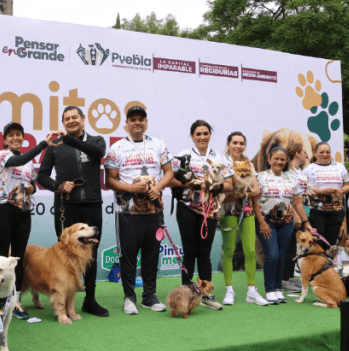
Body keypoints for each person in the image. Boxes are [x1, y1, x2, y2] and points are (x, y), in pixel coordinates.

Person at [37, 106, 111, 317]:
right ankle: (64, 302)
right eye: (67, 119)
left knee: (91, 253)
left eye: (74, 117)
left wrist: (69, 139)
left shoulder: (96, 141)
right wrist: (59, 186)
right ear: (63, 122)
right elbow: (42, 176)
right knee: (65, 254)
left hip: (92, 204)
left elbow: (98, 154)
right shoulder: (54, 145)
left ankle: (90, 300)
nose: (71, 121)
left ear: (83, 119)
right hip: (65, 205)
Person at [105, 106, 174, 315]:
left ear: (146, 122)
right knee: (128, 256)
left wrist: (158, 188)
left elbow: (169, 172)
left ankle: (149, 297)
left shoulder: (158, 144)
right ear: (126, 123)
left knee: (152, 255)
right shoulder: (116, 148)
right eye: (133, 119)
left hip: (154, 211)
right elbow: (109, 179)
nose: (137, 123)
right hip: (128, 213)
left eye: (141, 119)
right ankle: (129, 298)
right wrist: (131, 188)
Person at [0, 121, 60, 319]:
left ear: (23, 137)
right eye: (10, 135)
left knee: (18, 260)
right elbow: (16, 163)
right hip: (3, 211)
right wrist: (42, 146)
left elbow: (30, 183)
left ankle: (16, 301)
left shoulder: (29, 162)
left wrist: (32, 188)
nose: (15, 138)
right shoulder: (2, 155)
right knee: (2, 260)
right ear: (4, 140)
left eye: (18, 134)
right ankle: (0, 304)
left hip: (23, 213)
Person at [168, 120, 229, 310]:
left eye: (205, 133)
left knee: (204, 253)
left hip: (209, 210)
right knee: (189, 252)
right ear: (192, 136)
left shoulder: (220, 157)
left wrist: (214, 186)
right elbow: (170, 180)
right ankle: (186, 295)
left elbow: (230, 185)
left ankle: (206, 295)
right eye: (198, 134)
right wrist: (190, 183)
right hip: (187, 208)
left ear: (210, 135)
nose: (202, 137)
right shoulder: (183, 157)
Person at [254, 146, 312, 304]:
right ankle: (270, 289)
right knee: (272, 254)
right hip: (266, 222)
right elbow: (254, 201)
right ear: (269, 160)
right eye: (276, 158)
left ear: (286, 160)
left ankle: (278, 288)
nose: (279, 162)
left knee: (280, 255)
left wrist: (305, 222)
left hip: (287, 222)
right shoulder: (260, 177)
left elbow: (297, 202)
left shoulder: (292, 178)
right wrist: (261, 222)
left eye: (282, 159)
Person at [217, 131, 269, 306]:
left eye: (241, 143)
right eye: (235, 143)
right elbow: (225, 192)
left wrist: (240, 193)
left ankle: (252, 292)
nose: (238, 146)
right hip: (228, 212)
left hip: (247, 213)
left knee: (250, 251)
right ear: (228, 144)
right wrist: (240, 193)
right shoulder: (221, 162)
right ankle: (229, 290)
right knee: (229, 250)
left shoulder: (248, 164)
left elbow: (256, 190)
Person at [303, 142, 349, 248]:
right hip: (316, 211)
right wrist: (321, 192)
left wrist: (342, 190)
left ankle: (330, 264)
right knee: (317, 242)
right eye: (321, 152)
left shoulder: (339, 167)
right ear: (315, 153)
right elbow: (302, 190)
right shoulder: (308, 169)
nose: (325, 154)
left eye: (327, 152)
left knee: (332, 243)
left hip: (336, 211)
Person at [281, 141, 311, 293]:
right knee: (287, 247)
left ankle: (290, 278)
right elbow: (287, 196)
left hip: (302, 210)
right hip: (290, 213)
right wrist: (295, 216)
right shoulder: (288, 172)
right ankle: (283, 279)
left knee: (293, 247)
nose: (306, 155)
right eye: (304, 152)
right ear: (297, 153)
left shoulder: (299, 171)